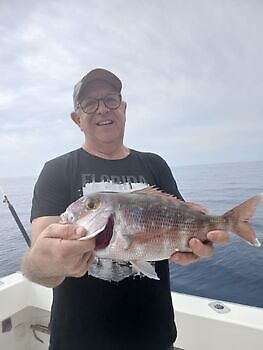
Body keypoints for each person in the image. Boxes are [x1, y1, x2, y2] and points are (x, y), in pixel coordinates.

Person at [22, 68, 229, 350]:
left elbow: (183, 227)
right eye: (89, 104)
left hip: (154, 338)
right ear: (77, 118)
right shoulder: (56, 171)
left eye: (110, 99)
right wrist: (47, 262)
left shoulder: (155, 164)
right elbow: (36, 267)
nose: (102, 109)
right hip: (78, 342)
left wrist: (194, 248)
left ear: (124, 108)